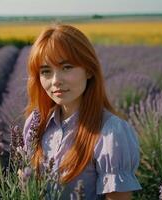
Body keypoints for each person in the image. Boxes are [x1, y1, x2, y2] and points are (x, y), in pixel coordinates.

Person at [22, 23, 142, 200]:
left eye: (66, 67)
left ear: (89, 70)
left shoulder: (111, 133)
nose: (55, 81)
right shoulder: (35, 123)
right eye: (46, 71)